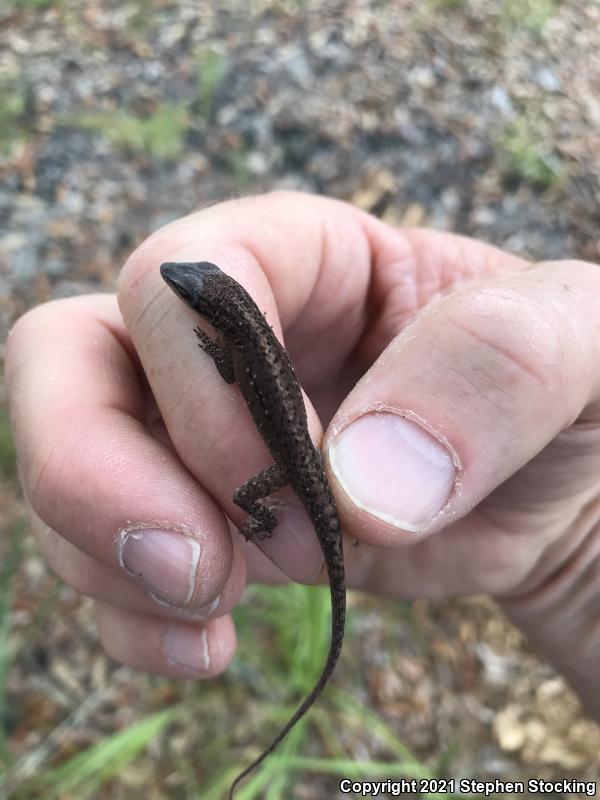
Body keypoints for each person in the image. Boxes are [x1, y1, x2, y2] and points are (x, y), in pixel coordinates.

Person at [5, 192, 599, 718]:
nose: (178, 283)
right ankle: (282, 521)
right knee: (268, 499)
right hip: (306, 462)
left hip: (297, 466)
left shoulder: (240, 343)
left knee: (247, 499)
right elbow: (235, 368)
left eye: (189, 289)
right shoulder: (252, 327)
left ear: (218, 304)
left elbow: (232, 376)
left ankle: (267, 521)